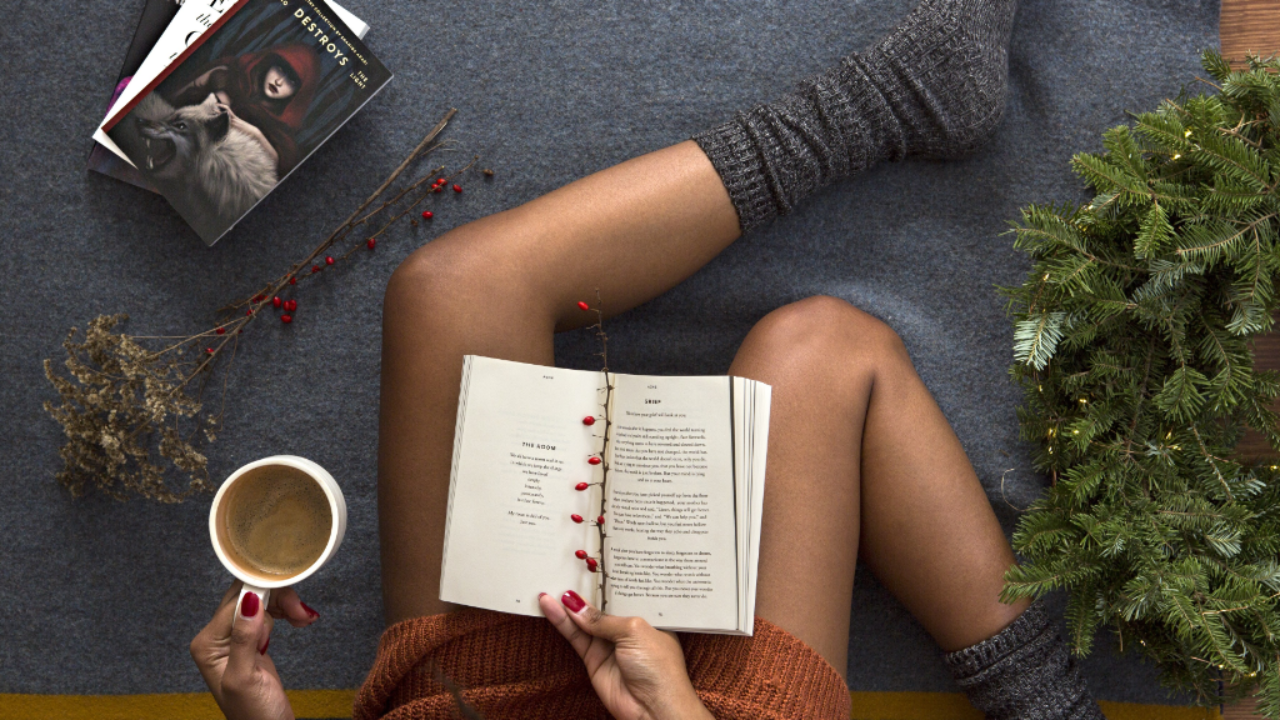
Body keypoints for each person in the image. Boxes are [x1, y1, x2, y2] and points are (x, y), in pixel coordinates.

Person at [189, 0, 1108, 717]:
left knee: (452, 290)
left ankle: (889, 102)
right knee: (824, 347)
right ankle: (1045, 702)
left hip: (480, 706)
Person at [169, 44, 320, 175]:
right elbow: (174, 98)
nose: (279, 82)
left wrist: (254, 133)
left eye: (291, 81)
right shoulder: (228, 76)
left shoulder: (281, 137)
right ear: (269, 63)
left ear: (297, 94)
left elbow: (275, 172)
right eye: (279, 70)